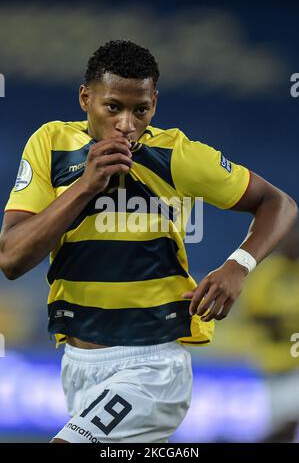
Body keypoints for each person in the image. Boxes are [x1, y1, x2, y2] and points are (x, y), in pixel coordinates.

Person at [0, 40, 297, 444]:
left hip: (152, 367)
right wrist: (86, 186)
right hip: (77, 363)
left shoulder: (175, 155)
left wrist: (238, 264)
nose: (126, 124)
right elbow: (12, 259)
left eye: (140, 109)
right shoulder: (50, 144)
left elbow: (277, 203)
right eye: (113, 107)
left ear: (154, 103)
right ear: (85, 98)